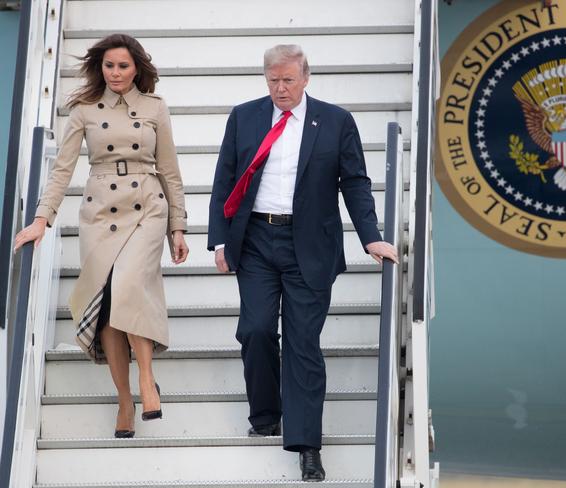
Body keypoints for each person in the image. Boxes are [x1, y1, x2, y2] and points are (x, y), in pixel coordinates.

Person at [208, 44, 398, 481]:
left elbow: (354, 181)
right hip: (255, 238)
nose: (280, 88)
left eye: (288, 80)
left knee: (302, 344)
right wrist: (218, 239)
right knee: (255, 330)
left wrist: (371, 237)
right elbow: (225, 176)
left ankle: (306, 444)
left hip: (309, 245)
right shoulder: (245, 116)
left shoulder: (335, 121)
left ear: (306, 78)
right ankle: (265, 415)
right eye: (273, 80)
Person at [14, 34, 189, 438]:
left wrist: (177, 227)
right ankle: (125, 399)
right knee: (106, 306)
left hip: (147, 205)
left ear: (137, 68)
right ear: (100, 68)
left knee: (128, 287)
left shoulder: (155, 109)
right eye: (109, 65)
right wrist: (43, 218)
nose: (115, 73)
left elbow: (171, 171)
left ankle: (147, 380)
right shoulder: (84, 110)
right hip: (99, 212)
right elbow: (62, 170)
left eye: (123, 66)